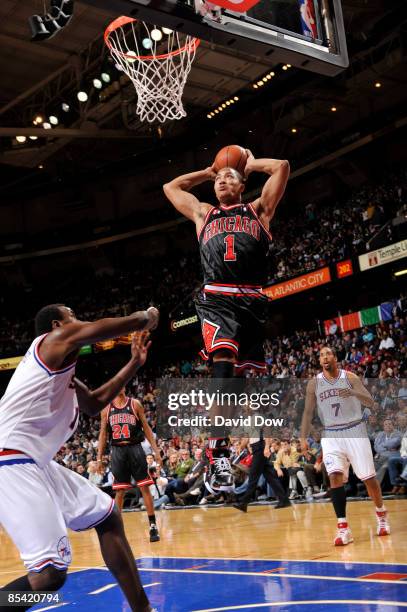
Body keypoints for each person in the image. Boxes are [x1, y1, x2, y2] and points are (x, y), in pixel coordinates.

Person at [0, 303, 159, 612]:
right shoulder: (50, 342)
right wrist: (144, 319)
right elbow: (98, 328)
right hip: (10, 459)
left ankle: (143, 610)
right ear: (59, 325)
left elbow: (94, 403)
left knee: (107, 515)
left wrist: (135, 364)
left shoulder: (63, 379)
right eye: (72, 315)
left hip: (34, 461)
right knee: (48, 577)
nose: (78, 320)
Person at [163, 150, 290, 492]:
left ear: (242, 184)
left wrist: (249, 164)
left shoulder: (259, 210)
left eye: (229, 177)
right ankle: (217, 451)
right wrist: (207, 172)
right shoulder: (204, 214)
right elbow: (170, 187)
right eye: (219, 179)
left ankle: (217, 444)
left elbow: (281, 166)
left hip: (250, 298)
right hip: (216, 297)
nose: (222, 181)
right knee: (222, 367)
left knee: (236, 384)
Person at [300, 346, 390, 547]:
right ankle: (343, 528)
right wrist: (302, 437)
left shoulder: (350, 377)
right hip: (331, 433)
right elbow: (307, 412)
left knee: (369, 479)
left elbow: (370, 402)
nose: (325, 357)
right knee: (334, 476)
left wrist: (352, 392)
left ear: (335, 357)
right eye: (321, 355)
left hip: (355, 430)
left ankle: (381, 514)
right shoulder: (314, 383)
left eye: (328, 353)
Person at [98, 387, 162, 542]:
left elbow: (146, 428)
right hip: (117, 450)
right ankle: (117, 529)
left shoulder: (135, 404)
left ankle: (153, 526)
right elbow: (103, 434)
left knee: (144, 487)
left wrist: (156, 450)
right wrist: (99, 458)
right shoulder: (106, 408)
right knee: (120, 491)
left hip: (135, 448)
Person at [233, 436, 291, 512]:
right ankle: (284, 500)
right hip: (256, 448)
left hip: (260, 447)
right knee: (270, 477)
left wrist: (267, 446)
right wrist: (241, 447)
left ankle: (244, 502)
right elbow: (247, 437)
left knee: (253, 477)